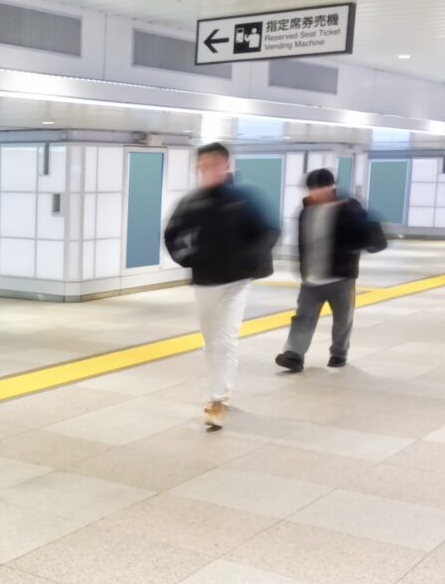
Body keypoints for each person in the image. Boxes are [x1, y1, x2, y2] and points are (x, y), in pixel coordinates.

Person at [164, 142, 279, 430]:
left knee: (226, 339)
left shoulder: (244, 197)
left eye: (213, 165)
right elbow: (172, 234)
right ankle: (219, 390)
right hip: (204, 280)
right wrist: (187, 259)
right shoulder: (193, 200)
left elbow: (269, 231)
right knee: (210, 341)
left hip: (236, 281)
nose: (207, 171)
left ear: (225, 165)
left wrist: (248, 261)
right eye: (202, 167)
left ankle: (218, 398)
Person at [275, 169, 387, 373]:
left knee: (342, 319)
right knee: (302, 317)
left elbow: (369, 233)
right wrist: (302, 270)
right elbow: (304, 243)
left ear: (331, 186)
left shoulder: (349, 207)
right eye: (312, 188)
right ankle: (294, 354)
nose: (316, 192)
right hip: (311, 279)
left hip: (341, 276)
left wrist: (361, 243)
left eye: (320, 187)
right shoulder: (305, 211)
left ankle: (338, 353)